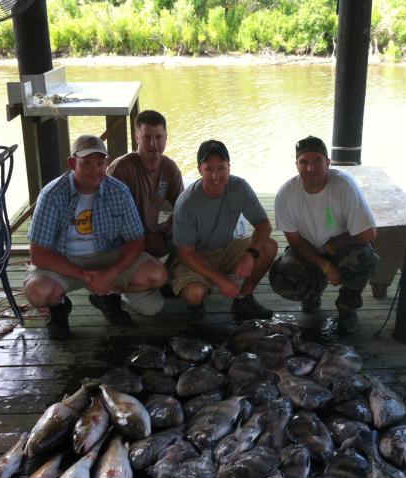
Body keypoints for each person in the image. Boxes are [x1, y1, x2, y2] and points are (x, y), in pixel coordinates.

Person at [24, 134, 167, 339]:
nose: (95, 170)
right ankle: (59, 309)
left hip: (108, 254)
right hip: (65, 259)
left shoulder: (119, 191)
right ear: (72, 163)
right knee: (37, 292)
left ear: (107, 163)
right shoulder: (52, 194)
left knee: (157, 277)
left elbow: (136, 240)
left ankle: (108, 295)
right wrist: (85, 276)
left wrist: (110, 274)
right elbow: (38, 254)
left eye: (100, 163)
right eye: (87, 163)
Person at [269, 135, 379, 334]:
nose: (310, 168)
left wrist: (338, 241)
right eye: (304, 162)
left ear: (328, 163)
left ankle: (347, 309)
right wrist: (325, 266)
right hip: (308, 249)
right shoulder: (285, 194)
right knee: (282, 277)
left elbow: (369, 234)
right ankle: (312, 293)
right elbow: (295, 241)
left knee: (364, 258)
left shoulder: (344, 186)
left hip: (341, 250)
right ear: (296, 165)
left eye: (317, 161)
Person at [171, 139, 277, 321]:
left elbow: (263, 224)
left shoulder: (240, 187)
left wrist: (250, 253)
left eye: (221, 168)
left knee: (269, 245)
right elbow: (185, 253)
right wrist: (219, 279)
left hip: (225, 248)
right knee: (194, 294)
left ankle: (244, 299)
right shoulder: (186, 203)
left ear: (229, 167)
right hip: (196, 256)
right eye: (209, 169)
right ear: (199, 170)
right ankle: (196, 301)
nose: (215, 176)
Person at [107, 110, 184, 261]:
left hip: (157, 236)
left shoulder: (169, 168)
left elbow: (182, 208)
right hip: (127, 241)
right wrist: (140, 241)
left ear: (166, 138)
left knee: (190, 236)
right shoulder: (121, 168)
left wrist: (164, 234)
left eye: (158, 137)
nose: (153, 144)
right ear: (136, 138)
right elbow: (109, 217)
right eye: (146, 137)